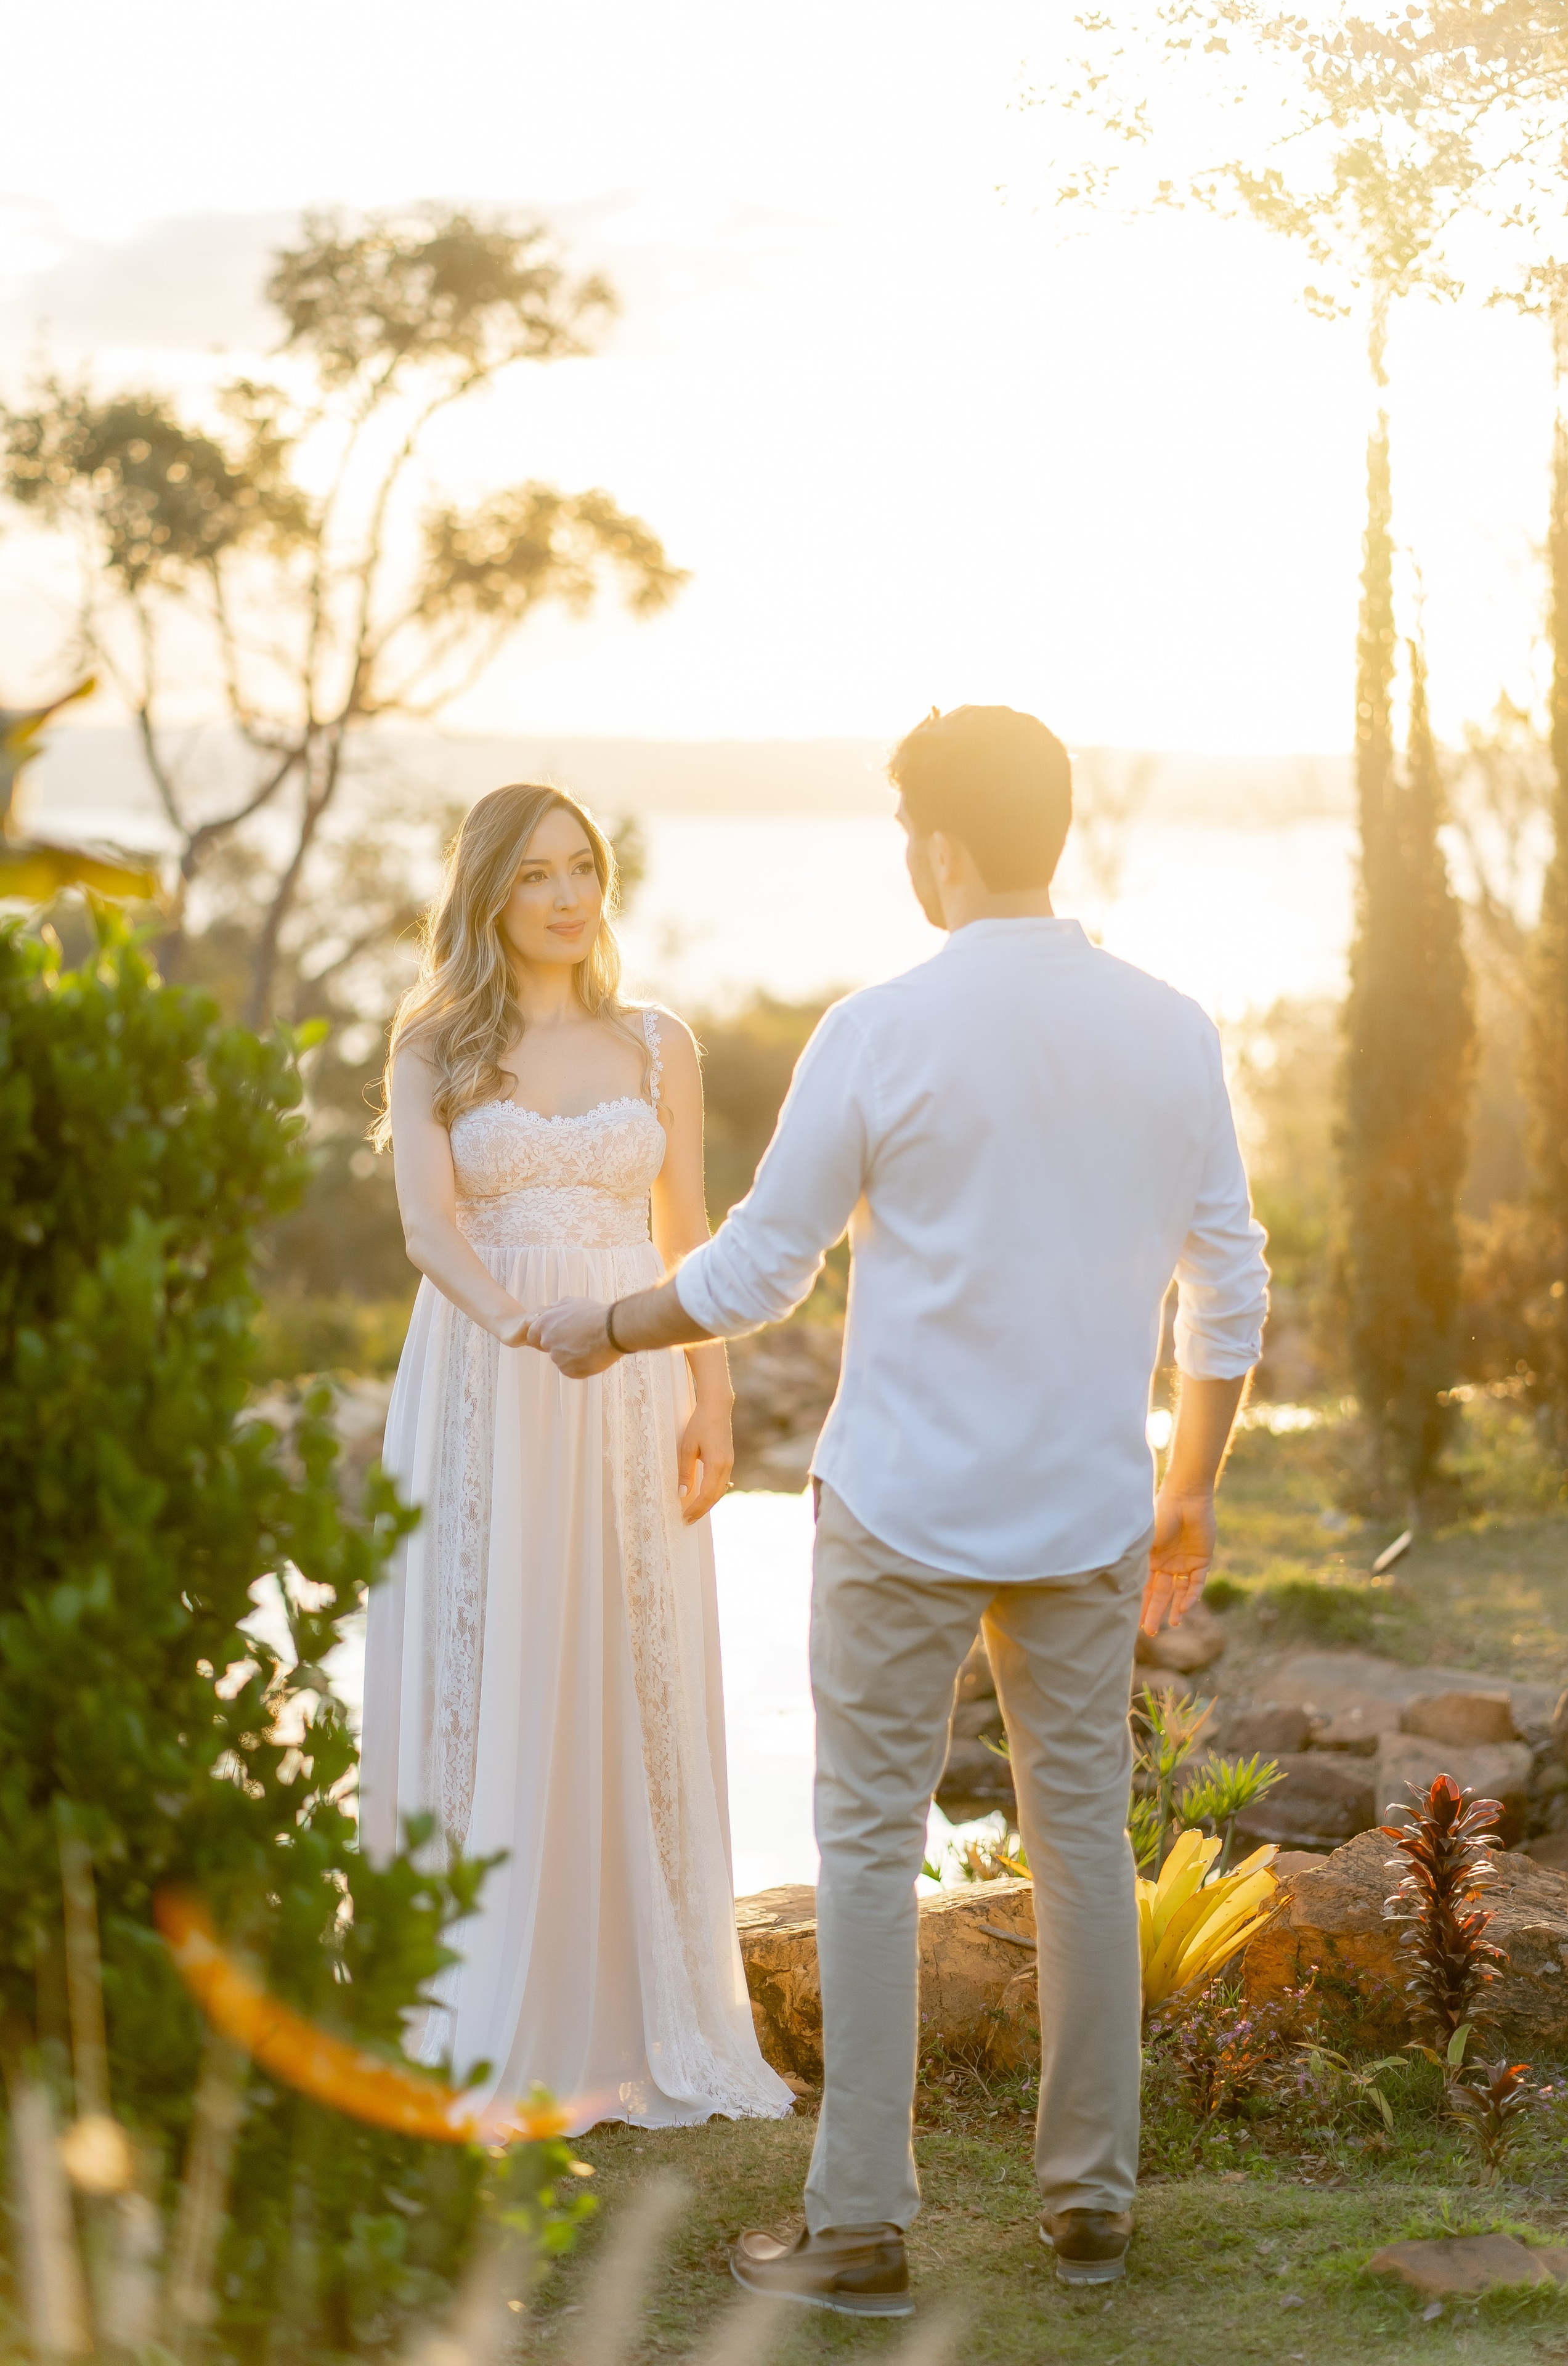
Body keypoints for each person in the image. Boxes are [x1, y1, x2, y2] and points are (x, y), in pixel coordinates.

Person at [529, 705, 1270, 2310]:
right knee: (1080, 1846)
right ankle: (1093, 2209)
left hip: (899, 1514)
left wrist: (612, 1324)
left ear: (940, 846)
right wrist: (1193, 1483)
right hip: (1087, 1512)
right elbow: (1232, 1281)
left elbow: (758, 1270)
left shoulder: (880, 1029)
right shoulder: (1173, 1029)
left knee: (865, 1848)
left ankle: (859, 2227)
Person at [360, 781, 792, 2134]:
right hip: (486, 1380)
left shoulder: (658, 1042)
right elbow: (432, 1229)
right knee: (486, 1659)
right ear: (487, 890)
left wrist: (709, 1400)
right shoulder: (433, 1045)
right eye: (536, 872)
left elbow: (691, 1239)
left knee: (628, 1654)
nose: (565, 895)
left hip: (631, 1379)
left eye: (583, 869)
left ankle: (630, 2008)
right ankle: (474, 1994)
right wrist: (523, 1330)